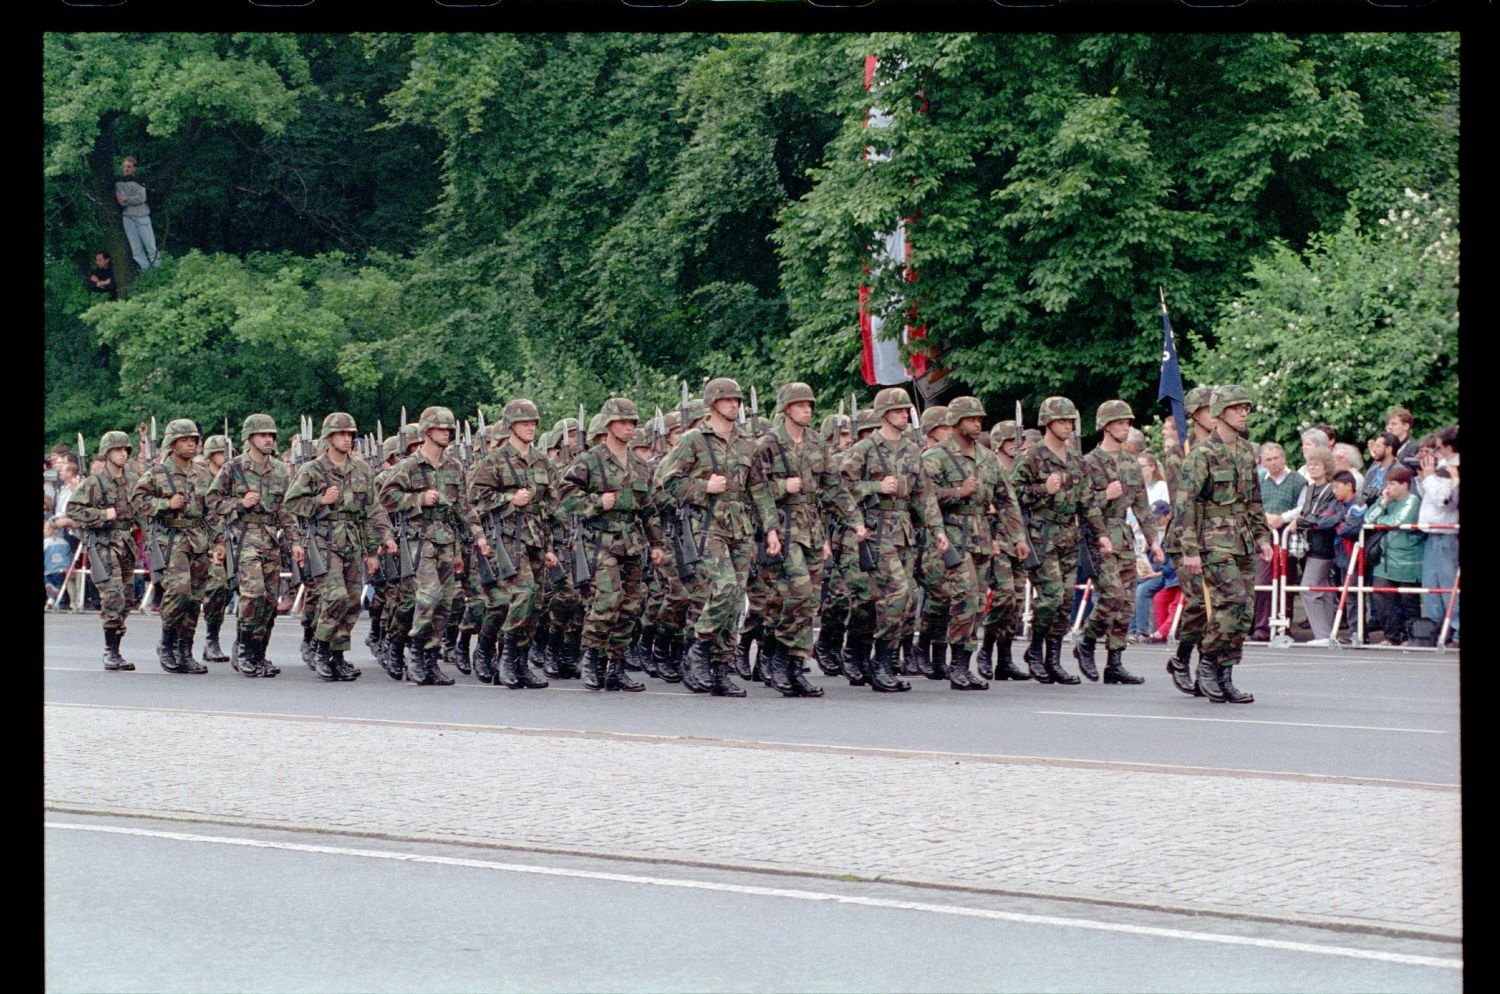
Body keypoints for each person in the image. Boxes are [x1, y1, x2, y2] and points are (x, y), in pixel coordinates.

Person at [1172, 385, 1273, 703]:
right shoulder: (1200, 455)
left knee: (1243, 611)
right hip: (1212, 540)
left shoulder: (1246, 451)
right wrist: (1189, 549)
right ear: (1219, 413)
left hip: (1241, 538)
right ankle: (1207, 665)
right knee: (1230, 601)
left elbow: (1254, 501)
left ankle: (1225, 673)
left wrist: (1262, 537)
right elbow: (1184, 505)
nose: (1243, 413)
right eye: (1236, 408)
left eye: (1246, 408)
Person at [558, 397, 665, 692]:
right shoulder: (589, 461)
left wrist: (656, 543)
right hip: (600, 542)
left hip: (631, 544)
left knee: (631, 605)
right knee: (605, 602)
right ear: (608, 425)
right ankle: (592, 659)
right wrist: (596, 502)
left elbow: (649, 509)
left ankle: (616, 666)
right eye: (623, 422)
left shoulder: (640, 465)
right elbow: (564, 499)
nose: (629, 427)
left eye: (632, 422)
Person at [378, 407, 490, 686]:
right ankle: (415, 653)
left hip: (446, 540)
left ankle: (430, 656)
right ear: (428, 431)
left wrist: (477, 534)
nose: (447, 433)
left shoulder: (454, 467)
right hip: (419, 540)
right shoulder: (409, 466)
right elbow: (386, 496)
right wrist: (418, 500)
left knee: (445, 602)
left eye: (449, 429)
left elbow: (464, 507)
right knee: (428, 596)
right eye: (441, 428)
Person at [286, 413, 397, 682]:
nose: (347, 438)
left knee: (352, 601)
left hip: (353, 540)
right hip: (324, 541)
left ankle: (338, 654)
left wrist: (380, 542)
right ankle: (321, 650)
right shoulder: (312, 469)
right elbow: (291, 504)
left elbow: (372, 510)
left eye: (350, 434)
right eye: (341, 434)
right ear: (329, 437)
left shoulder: (361, 470)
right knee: (334, 598)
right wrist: (319, 501)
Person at [751, 382, 842, 697]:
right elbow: (757, 490)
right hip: (785, 528)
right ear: (786, 408)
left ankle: (793, 664)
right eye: (801, 404)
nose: (808, 409)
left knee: (809, 601)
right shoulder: (768, 444)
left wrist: (851, 520)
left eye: (810, 404)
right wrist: (771, 527)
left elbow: (831, 487)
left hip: (813, 529)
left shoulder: (817, 442)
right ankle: (779, 658)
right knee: (799, 594)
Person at [466, 399, 557, 689]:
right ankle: (504, 657)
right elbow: (475, 501)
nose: (531, 426)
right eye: (524, 422)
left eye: (533, 422)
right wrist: (509, 500)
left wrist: (550, 546)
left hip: (536, 541)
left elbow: (549, 509)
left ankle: (521, 661)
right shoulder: (494, 461)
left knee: (536, 604)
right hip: (507, 541)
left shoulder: (542, 462)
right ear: (510, 426)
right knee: (524, 594)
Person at [206, 416, 302, 677]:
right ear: (249, 438)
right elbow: (213, 501)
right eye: (262, 435)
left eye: (271, 434)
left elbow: (286, 509)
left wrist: (294, 541)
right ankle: (245, 650)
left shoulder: (280, 469)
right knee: (253, 595)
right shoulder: (233, 468)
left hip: (270, 539)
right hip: (244, 538)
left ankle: (258, 653)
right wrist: (239, 503)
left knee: (270, 601)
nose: (269, 438)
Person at [132, 419, 216, 673]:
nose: (191, 444)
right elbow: (138, 500)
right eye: (185, 440)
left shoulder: (203, 474)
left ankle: (185, 650)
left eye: (194, 440)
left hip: (198, 540)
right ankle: (167, 644)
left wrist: (219, 540)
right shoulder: (158, 473)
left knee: (195, 598)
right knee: (179, 592)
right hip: (170, 539)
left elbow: (212, 511)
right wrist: (165, 505)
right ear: (172, 443)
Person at [1363, 465, 1424, 646]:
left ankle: (1411, 636)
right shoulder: (1387, 500)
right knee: (1381, 597)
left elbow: (1398, 521)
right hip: (1385, 560)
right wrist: (1382, 503)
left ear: (1405, 484)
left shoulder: (1413, 501)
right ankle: (1392, 636)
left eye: (1393, 484)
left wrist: (1381, 521)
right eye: (1387, 483)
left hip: (1409, 560)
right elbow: (1367, 519)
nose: (1388, 488)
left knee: (1408, 601)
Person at [1292, 456, 1345, 645]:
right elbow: (1307, 512)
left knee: (1309, 588)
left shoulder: (1331, 489)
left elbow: (1323, 517)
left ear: (1327, 467)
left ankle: (1322, 634)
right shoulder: (1311, 488)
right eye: (1310, 464)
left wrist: (1299, 522)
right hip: (1310, 544)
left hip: (1324, 544)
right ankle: (1328, 633)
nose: (1312, 467)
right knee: (1324, 590)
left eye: (1317, 464)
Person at [1417, 426, 1459, 647]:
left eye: (1439, 447)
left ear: (1449, 447)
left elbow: (1443, 498)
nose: (1437, 452)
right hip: (1432, 534)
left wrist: (1430, 477)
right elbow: (1428, 495)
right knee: (1432, 587)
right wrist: (1424, 476)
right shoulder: (1442, 468)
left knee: (1449, 586)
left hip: (1446, 534)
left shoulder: (1454, 469)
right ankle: (1438, 629)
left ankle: (1457, 632)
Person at [115, 156, 161, 272]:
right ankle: (147, 273)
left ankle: (158, 271)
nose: (126, 169)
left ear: (134, 169)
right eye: (124, 166)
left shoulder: (139, 181)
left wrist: (127, 199)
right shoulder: (119, 183)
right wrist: (129, 199)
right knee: (136, 249)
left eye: (129, 167)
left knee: (150, 245)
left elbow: (142, 198)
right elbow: (121, 201)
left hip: (142, 216)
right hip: (128, 218)